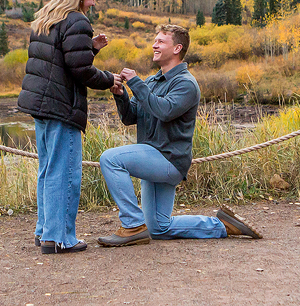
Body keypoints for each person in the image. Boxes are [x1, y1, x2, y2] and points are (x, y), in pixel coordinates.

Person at [97, 24, 261, 246]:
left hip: (168, 159)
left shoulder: (186, 84)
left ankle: (133, 225)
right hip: (152, 158)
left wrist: (135, 82)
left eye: (161, 41)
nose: (154, 45)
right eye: (155, 40)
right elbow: (130, 117)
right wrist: (121, 96)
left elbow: (164, 111)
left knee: (110, 158)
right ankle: (222, 225)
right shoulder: (153, 81)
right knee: (159, 229)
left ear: (177, 48)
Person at [18, 0, 115, 254]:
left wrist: (91, 49)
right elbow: (80, 70)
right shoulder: (77, 20)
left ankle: (44, 231)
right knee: (65, 172)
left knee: (48, 169)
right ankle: (60, 238)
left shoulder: (46, 16)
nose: (94, 3)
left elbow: (59, 62)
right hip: (62, 107)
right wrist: (110, 80)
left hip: (41, 105)